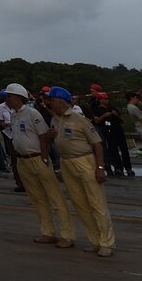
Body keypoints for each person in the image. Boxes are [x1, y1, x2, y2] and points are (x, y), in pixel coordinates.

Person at [47, 87, 115, 257]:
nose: (50, 103)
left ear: (60, 101)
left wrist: (100, 168)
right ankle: (95, 240)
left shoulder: (79, 119)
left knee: (97, 203)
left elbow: (97, 144)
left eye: (52, 100)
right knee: (80, 203)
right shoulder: (54, 119)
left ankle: (106, 242)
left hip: (84, 161)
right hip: (66, 162)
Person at [5, 84, 72, 246]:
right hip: (22, 160)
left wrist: (44, 157)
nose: (7, 99)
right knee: (37, 198)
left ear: (18, 97)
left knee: (55, 196)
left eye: (10, 96)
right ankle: (48, 232)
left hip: (37, 158)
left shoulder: (32, 113)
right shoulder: (13, 115)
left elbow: (43, 136)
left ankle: (67, 235)